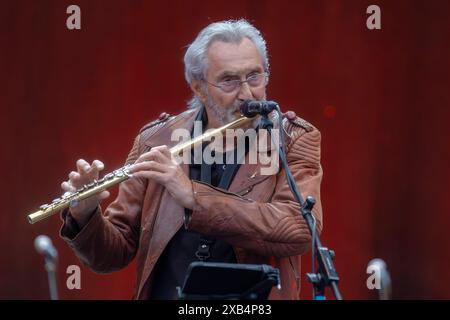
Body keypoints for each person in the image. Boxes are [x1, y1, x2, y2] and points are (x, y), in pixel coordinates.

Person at [60, 19, 323, 300]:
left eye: (254, 76)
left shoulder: (291, 138)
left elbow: (299, 228)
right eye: (229, 80)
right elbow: (112, 255)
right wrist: (86, 214)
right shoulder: (157, 139)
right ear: (199, 87)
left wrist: (193, 197)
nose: (247, 93)